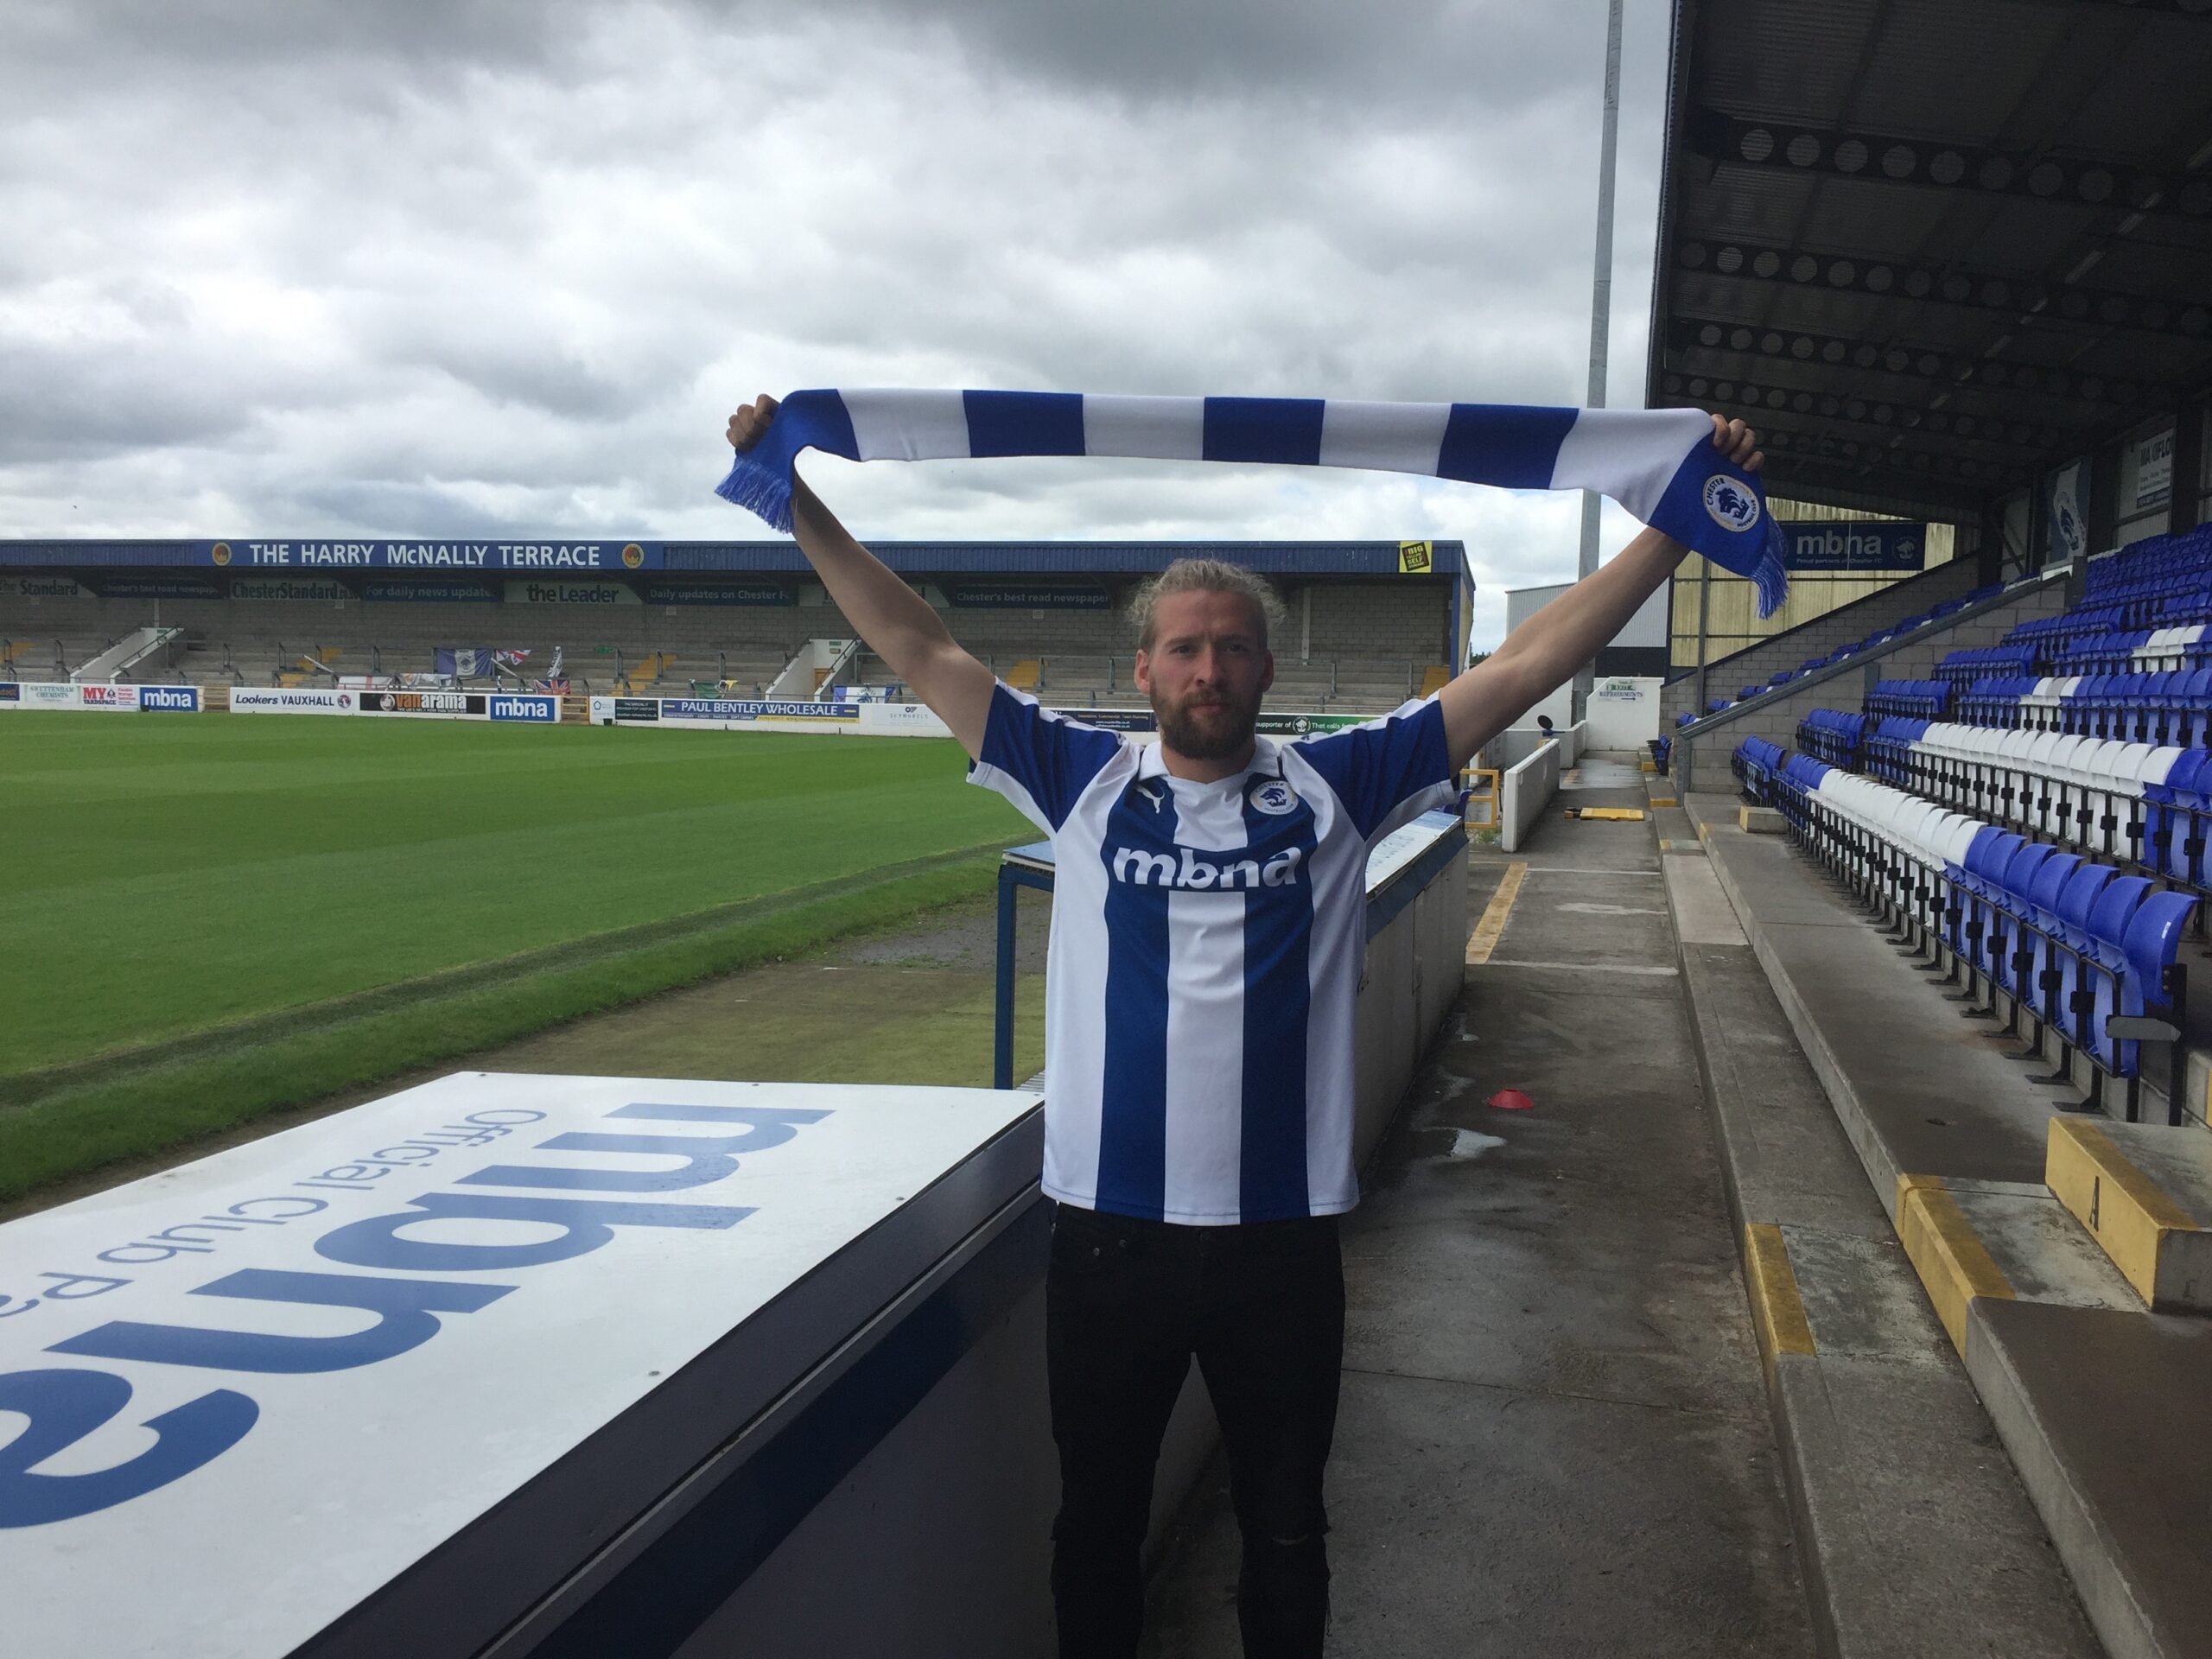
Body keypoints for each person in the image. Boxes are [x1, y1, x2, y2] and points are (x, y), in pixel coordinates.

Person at [724, 395, 1762, 1659]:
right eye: (1183, 649)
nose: (1207, 670)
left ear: (1265, 670)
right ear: (1145, 670)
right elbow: (917, 644)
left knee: (1286, 1529)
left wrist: (1672, 524)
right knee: (1094, 1528)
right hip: (1108, 1240)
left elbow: (1526, 664)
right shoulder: (1080, 778)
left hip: (1280, 1243)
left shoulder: (1342, 784)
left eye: (1229, 648)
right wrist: (798, 500)